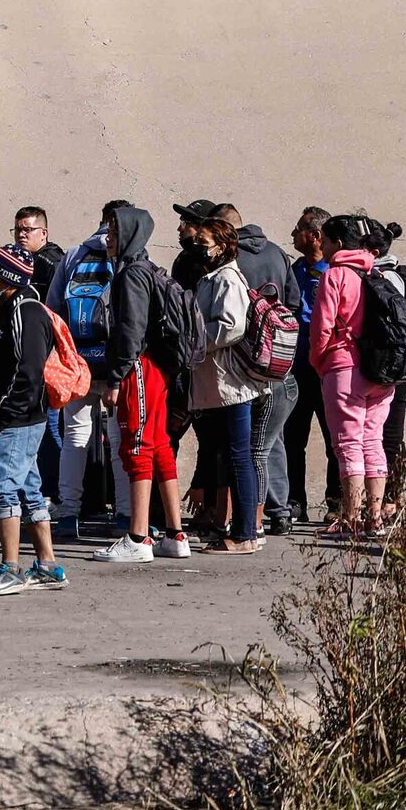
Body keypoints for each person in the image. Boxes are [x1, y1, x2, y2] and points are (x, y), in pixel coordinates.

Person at [91, 204, 190, 562]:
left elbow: (130, 331)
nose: (109, 238)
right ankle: (175, 535)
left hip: (139, 369)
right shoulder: (146, 270)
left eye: (115, 232)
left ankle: (138, 537)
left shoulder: (132, 275)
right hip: (154, 369)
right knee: (160, 446)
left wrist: (116, 377)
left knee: (136, 446)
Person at [0, 247, 65, 594]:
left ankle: (10, 568)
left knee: (3, 492)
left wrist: (2, 417)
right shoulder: (8, 309)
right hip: (10, 421)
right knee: (29, 490)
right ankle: (48, 565)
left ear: (6, 277)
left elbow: (28, 373)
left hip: (18, 421)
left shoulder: (27, 312)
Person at [179, 206, 265, 554]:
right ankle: (236, 526)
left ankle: (245, 533)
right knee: (230, 455)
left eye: (205, 242)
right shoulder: (212, 277)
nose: (198, 246)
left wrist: (195, 339)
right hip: (218, 385)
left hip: (232, 385)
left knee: (239, 456)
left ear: (223, 246)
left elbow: (231, 326)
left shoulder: (228, 279)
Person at [304, 213, 395, 537]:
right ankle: (375, 518)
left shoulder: (335, 275)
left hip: (343, 366)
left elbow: (321, 328)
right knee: (373, 441)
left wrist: (319, 362)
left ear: (338, 244)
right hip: (382, 372)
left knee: (347, 444)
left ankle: (351, 519)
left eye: (325, 241)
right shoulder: (376, 272)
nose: (323, 246)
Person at [223, 203, 304, 536]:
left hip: (243, 361)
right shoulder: (277, 254)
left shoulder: (228, 259)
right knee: (273, 440)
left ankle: (249, 518)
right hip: (280, 361)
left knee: (250, 445)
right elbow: (294, 302)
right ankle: (279, 510)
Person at [42, 204, 120, 539]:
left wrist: (65, 355)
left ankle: (68, 513)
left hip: (79, 361)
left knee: (75, 436)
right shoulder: (129, 254)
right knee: (119, 439)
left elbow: (54, 308)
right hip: (117, 362)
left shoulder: (73, 255)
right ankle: (125, 514)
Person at [284, 206, 339, 527]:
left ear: (316, 236)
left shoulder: (334, 271)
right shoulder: (294, 270)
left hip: (327, 366)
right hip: (296, 365)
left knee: (334, 437)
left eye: (299, 229)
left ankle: (335, 501)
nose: (293, 234)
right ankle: (295, 501)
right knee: (293, 437)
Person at [372, 220, 406, 517]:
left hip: (394, 365)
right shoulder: (391, 274)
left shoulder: (386, 279)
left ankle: (391, 498)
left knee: (389, 433)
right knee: (388, 432)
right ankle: (390, 496)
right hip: (400, 364)